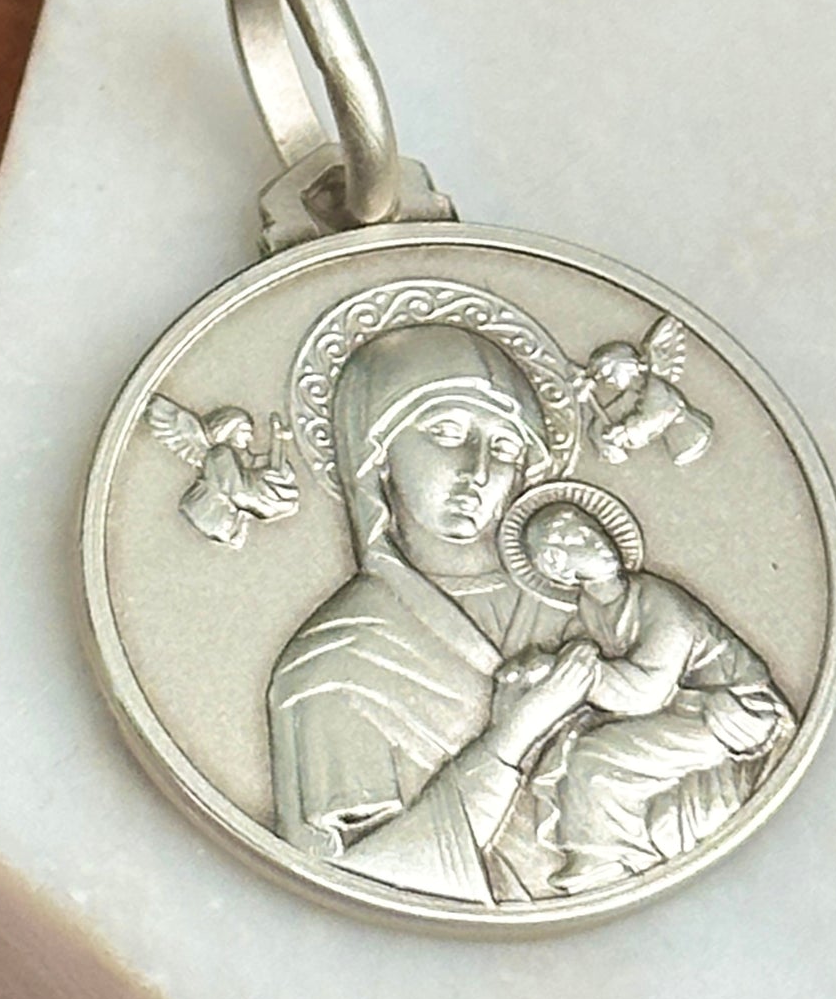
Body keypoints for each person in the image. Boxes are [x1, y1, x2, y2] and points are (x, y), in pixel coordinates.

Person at [267, 323, 597, 904]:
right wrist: (511, 738)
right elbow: (366, 885)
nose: (478, 469)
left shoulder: (581, 607)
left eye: (506, 448)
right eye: (446, 431)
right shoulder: (332, 667)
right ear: (375, 456)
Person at [506, 492, 795, 893]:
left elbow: (646, 692)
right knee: (568, 748)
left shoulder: (659, 599)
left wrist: (573, 672)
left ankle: (610, 867)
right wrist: (550, 669)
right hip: (683, 710)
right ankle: (604, 863)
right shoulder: (591, 609)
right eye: (577, 538)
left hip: (733, 709)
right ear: (556, 565)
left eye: (592, 528)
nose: (597, 539)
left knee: (594, 760)